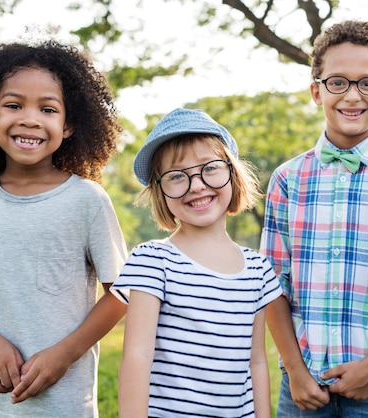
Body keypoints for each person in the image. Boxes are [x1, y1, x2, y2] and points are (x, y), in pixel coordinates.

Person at [260, 20, 368, 417]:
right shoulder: (288, 179)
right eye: (338, 82)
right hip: (304, 381)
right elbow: (273, 283)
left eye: (367, 83)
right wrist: (294, 370)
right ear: (315, 90)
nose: (352, 96)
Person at [0, 39, 128, 417]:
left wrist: (64, 353)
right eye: (14, 105)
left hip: (65, 404)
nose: (30, 118)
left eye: (47, 109)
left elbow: (122, 293)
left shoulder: (87, 200)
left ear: (68, 126)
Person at [111, 107, 282, 418]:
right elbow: (137, 356)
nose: (198, 185)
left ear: (232, 173)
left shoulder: (257, 269)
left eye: (210, 168)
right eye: (177, 176)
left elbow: (256, 361)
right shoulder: (153, 261)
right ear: (160, 193)